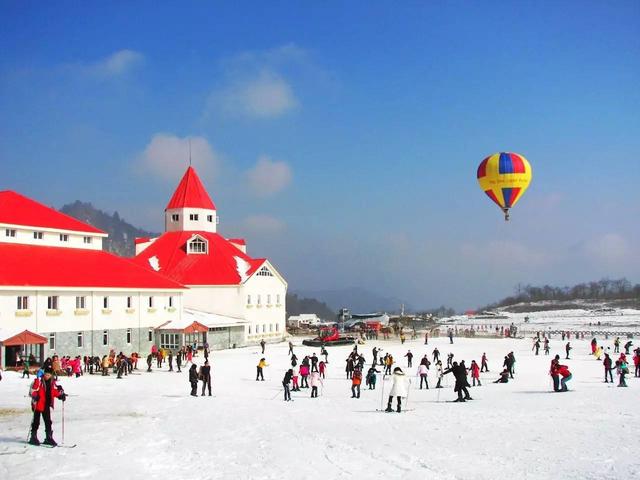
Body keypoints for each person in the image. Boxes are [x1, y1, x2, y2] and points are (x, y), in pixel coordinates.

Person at [29, 365, 66, 446]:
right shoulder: (38, 381)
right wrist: (35, 395)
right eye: (46, 374)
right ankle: (33, 436)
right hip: (38, 404)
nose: (47, 376)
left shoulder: (52, 382)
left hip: (46, 404)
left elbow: (53, 392)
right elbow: (33, 390)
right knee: (36, 421)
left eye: (49, 375)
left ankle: (48, 437)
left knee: (48, 421)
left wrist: (60, 395)